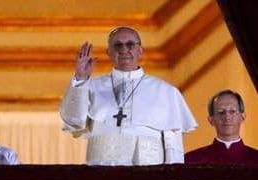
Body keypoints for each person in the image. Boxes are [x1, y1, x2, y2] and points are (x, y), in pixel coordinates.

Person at [60, 26, 197, 166]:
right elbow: (74, 120)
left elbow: (173, 144)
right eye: (118, 45)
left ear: (140, 50)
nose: (124, 50)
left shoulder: (166, 91)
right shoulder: (89, 86)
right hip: (100, 172)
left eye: (130, 44)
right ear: (109, 52)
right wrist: (81, 78)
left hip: (148, 175)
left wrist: (172, 178)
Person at [185, 89, 258, 164]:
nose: (227, 117)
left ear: (242, 117)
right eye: (221, 112)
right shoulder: (191, 160)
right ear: (211, 120)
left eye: (232, 111)